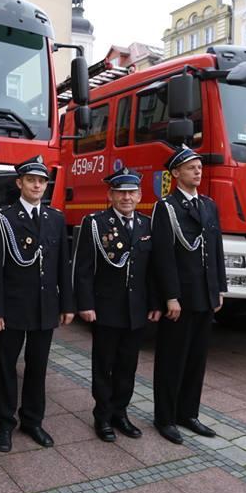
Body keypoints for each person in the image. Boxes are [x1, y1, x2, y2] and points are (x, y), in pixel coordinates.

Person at [0, 155, 74, 452]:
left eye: (42, 181)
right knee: (7, 367)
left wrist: (67, 305)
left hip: (45, 306)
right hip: (11, 308)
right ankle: (4, 424)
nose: (37, 185)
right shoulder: (4, 218)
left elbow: (64, 265)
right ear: (19, 183)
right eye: (32, 180)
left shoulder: (56, 219)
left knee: (38, 367)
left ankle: (33, 421)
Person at [73, 166, 161, 442]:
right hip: (106, 308)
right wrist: (85, 304)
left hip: (136, 310)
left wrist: (155, 303)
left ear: (139, 195)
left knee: (128, 366)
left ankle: (120, 413)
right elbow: (83, 269)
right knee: (104, 365)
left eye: (132, 192)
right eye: (121, 193)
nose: (126, 198)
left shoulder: (147, 225)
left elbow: (152, 271)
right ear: (110, 195)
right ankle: (102, 416)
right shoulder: (95, 223)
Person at [150, 146, 227, 445]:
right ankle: (165, 417)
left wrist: (219, 288)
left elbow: (216, 250)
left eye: (199, 167)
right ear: (176, 173)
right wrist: (170, 296)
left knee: (197, 359)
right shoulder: (166, 207)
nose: (198, 171)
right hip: (180, 298)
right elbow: (163, 257)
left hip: (205, 295)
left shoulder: (208, 205)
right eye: (191, 167)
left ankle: (188, 413)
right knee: (172, 359)